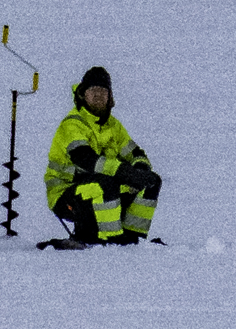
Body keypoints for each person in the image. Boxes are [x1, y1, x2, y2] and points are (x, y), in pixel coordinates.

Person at [44, 66, 163, 245]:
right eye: (93, 90)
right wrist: (124, 172)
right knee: (105, 183)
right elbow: (85, 159)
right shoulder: (72, 124)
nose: (98, 95)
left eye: (103, 91)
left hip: (100, 186)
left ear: (109, 96)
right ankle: (112, 240)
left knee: (151, 181)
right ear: (83, 94)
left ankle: (134, 238)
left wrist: (140, 170)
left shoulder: (114, 126)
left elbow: (136, 153)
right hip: (66, 194)